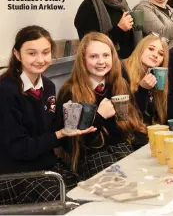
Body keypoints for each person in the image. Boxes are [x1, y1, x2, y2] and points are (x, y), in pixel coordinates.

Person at [0, 26, 96, 205]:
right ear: (17, 54)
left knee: (87, 193)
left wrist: (70, 120)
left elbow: (51, 130)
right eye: (32, 53)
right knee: (67, 202)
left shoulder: (48, 86)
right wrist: (59, 134)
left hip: (46, 167)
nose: (40, 59)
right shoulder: (6, 90)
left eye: (46, 52)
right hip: (14, 174)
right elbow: (19, 148)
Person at [57, 32, 147, 180]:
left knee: (144, 175)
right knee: (120, 183)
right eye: (94, 56)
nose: (101, 61)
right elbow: (72, 145)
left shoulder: (119, 84)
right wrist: (99, 117)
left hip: (119, 148)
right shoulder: (71, 92)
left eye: (106, 55)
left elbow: (128, 128)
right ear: (83, 60)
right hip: (90, 156)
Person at [124, 34, 169, 125]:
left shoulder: (157, 75)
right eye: (151, 49)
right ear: (141, 49)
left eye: (160, 54)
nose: (155, 55)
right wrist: (142, 89)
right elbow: (127, 114)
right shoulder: (123, 70)